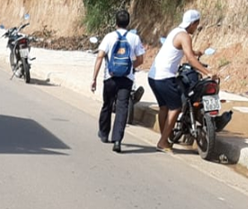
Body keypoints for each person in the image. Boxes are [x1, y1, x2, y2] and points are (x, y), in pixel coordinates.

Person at [149, 9, 217, 152]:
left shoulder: (175, 32)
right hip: (164, 76)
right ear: (193, 23)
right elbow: (190, 59)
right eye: (196, 25)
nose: (196, 28)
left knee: (164, 107)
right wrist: (207, 72)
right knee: (176, 107)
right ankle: (162, 142)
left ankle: (165, 138)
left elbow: (186, 52)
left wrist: (196, 52)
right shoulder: (185, 36)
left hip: (153, 76)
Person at [91, 10, 145, 153]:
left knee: (107, 105)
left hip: (110, 77)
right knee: (122, 108)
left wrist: (94, 78)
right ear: (128, 23)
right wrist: (129, 68)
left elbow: (100, 56)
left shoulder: (109, 37)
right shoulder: (134, 38)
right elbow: (141, 60)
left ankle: (103, 133)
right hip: (126, 80)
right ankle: (117, 140)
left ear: (115, 22)